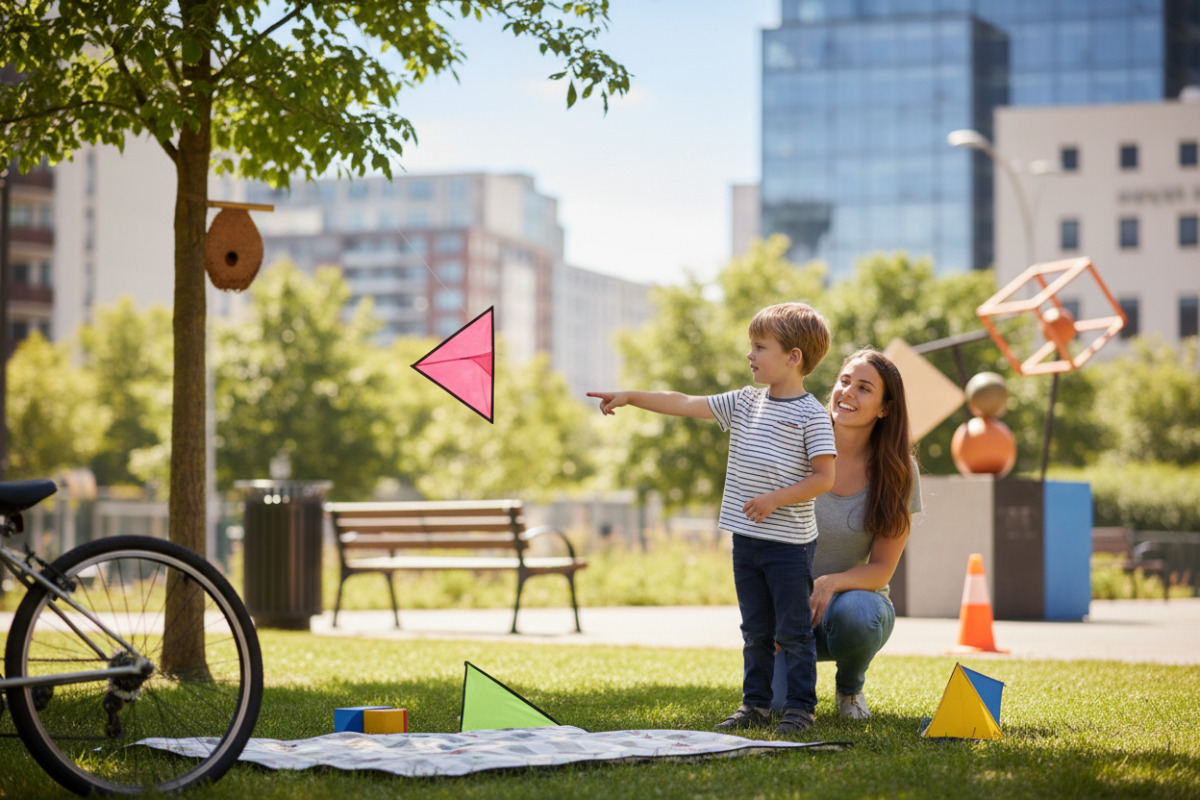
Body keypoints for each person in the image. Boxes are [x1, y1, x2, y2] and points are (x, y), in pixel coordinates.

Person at [588, 302, 836, 736]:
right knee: (756, 629)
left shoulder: (812, 415)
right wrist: (630, 397)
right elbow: (683, 402)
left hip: (789, 546)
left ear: (793, 357)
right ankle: (755, 705)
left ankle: (800, 709)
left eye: (760, 347)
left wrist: (776, 499)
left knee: (793, 631)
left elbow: (824, 477)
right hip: (747, 541)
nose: (750, 355)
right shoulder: (743, 402)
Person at [769, 348, 921, 720]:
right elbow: (763, 543)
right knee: (774, 710)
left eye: (864, 388)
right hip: (787, 611)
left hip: (849, 613)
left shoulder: (899, 471)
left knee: (858, 614)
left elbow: (882, 569)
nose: (848, 392)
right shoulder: (794, 449)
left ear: (885, 408)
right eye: (844, 381)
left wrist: (829, 583)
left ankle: (850, 689)